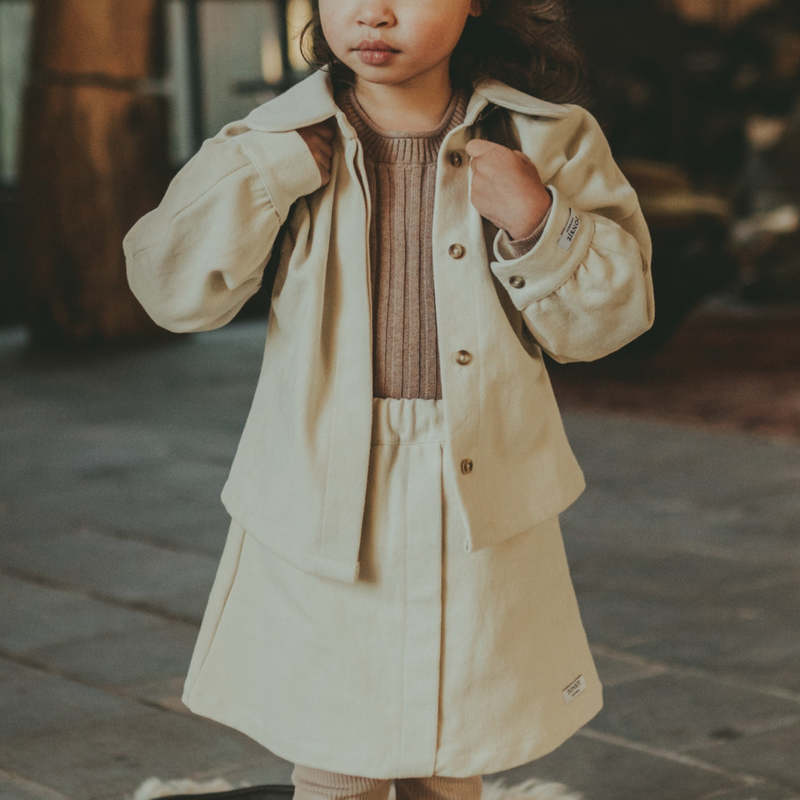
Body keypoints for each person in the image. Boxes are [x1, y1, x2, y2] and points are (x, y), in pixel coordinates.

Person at [122, 0, 654, 797]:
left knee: (456, 742)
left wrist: (540, 221)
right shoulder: (270, 140)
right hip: (328, 485)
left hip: (479, 487)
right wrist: (267, 176)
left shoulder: (549, 138)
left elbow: (612, 319)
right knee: (338, 747)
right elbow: (168, 289)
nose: (373, 13)